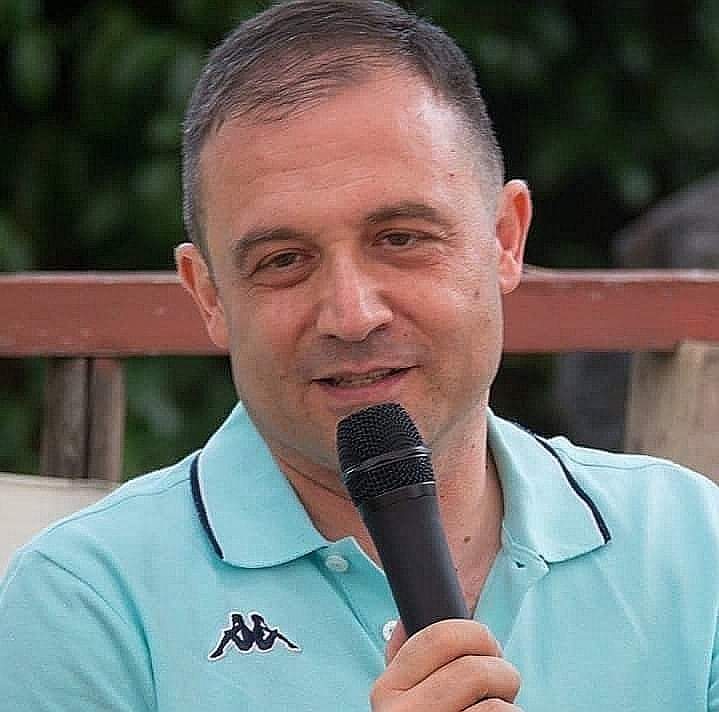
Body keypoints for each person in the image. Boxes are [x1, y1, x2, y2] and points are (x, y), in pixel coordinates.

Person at [1, 1, 717, 710]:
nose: (351, 315)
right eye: (284, 260)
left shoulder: (690, 543)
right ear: (209, 294)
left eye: (400, 238)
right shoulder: (85, 603)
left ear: (505, 238)